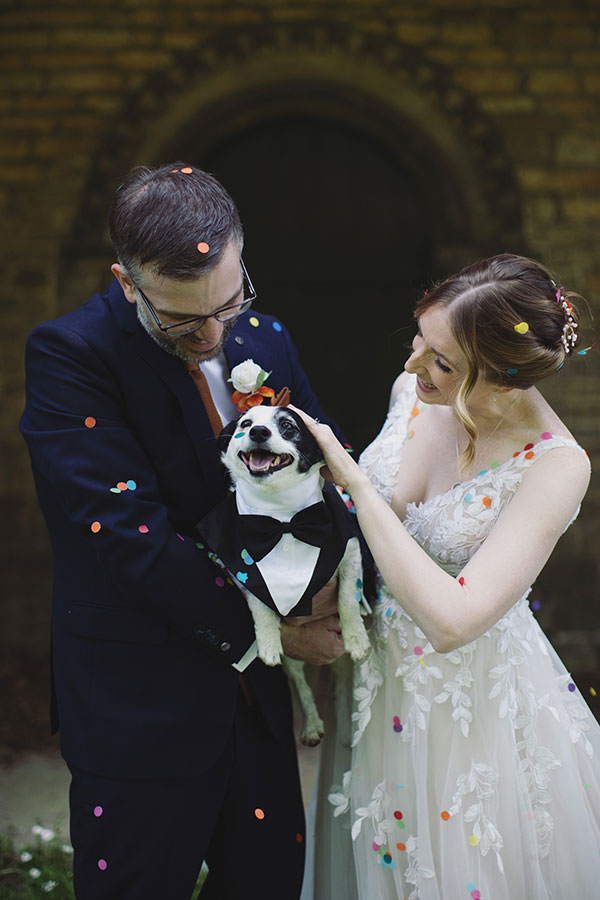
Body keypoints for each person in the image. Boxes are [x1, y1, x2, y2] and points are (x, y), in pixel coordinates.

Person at [19, 162, 348, 900]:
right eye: (181, 319)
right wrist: (276, 629)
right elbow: (124, 534)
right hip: (139, 697)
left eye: (227, 305)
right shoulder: (70, 356)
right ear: (126, 281)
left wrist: (343, 589)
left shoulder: (265, 335)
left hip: (257, 706)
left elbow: (326, 467)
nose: (212, 335)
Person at [296, 253, 600, 899]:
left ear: (504, 378)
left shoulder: (556, 465)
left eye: (441, 361)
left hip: (470, 712)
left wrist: (351, 481)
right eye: (419, 342)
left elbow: (455, 620)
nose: (413, 367)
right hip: (376, 689)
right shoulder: (414, 393)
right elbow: (368, 542)